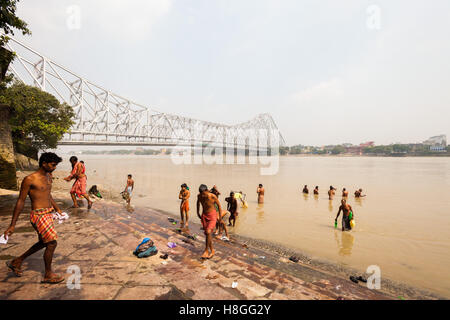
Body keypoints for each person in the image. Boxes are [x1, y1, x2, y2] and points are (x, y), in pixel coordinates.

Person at [3, 152, 65, 283]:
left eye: (56, 165)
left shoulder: (49, 176)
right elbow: (20, 201)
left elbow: (48, 194)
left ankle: (17, 261)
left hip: (48, 213)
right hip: (38, 215)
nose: (54, 168)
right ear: (44, 163)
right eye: (53, 165)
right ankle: (48, 274)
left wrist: (57, 209)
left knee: (44, 242)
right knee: (52, 243)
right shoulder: (30, 179)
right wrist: (12, 224)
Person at [197, 184, 222, 259]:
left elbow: (219, 206)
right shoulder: (199, 196)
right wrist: (198, 212)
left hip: (212, 215)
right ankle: (212, 251)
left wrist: (220, 217)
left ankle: (206, 251)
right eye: (201, 193)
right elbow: (197, 203)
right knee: (208, 234)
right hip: (204, 215)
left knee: (208, 232)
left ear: (207, 191)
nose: (203, 195)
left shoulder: (212, 196)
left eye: (204, 193)